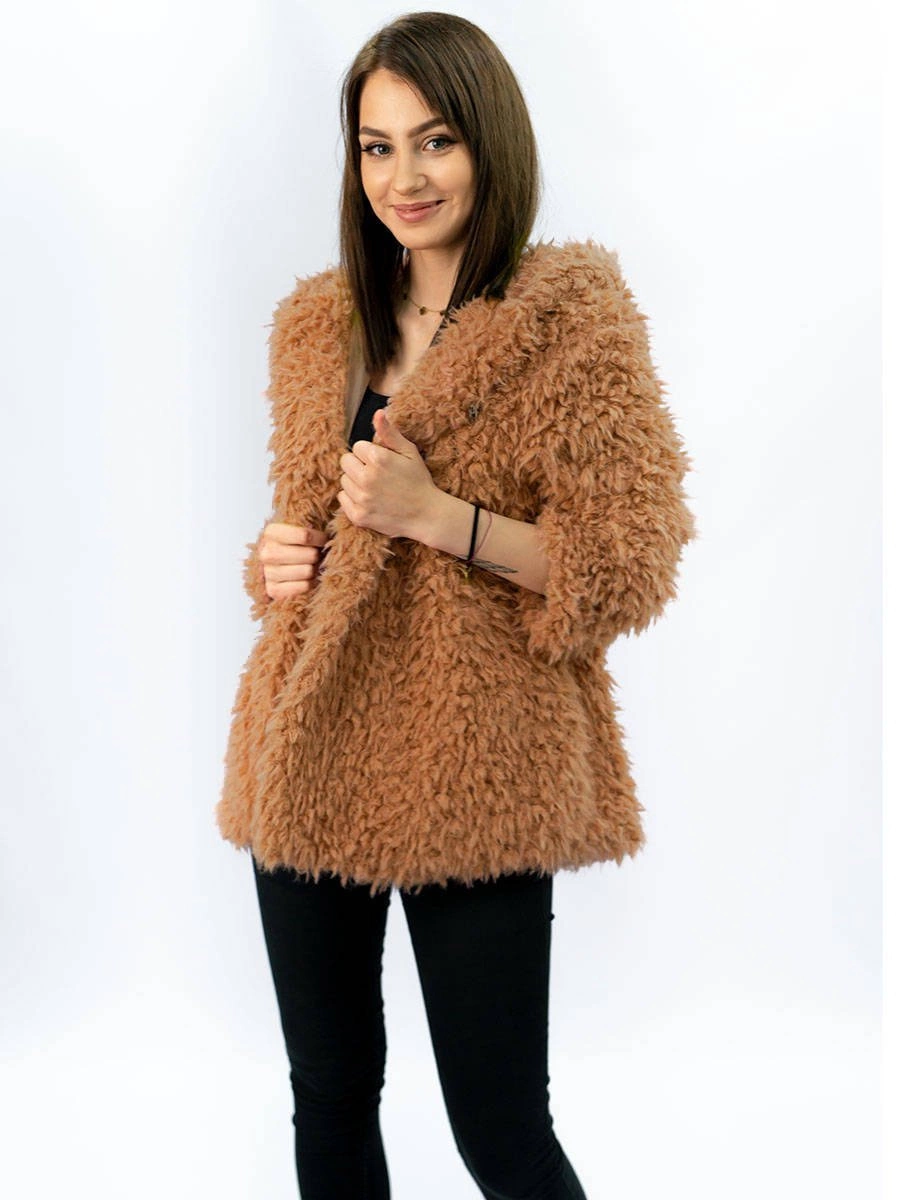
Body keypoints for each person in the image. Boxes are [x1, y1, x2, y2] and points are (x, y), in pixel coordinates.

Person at [216, 12, 697, 1199]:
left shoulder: (567, 319)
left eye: (435, 141)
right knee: (330, 1096)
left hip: (474, 762)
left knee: (500, 1125)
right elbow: (322, 534)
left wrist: (441, 517)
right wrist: (271, 562)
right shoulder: (317, 325)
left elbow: (629, 558)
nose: (405, 178)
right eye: (376, 148)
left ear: (490, 141)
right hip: (313, 751)